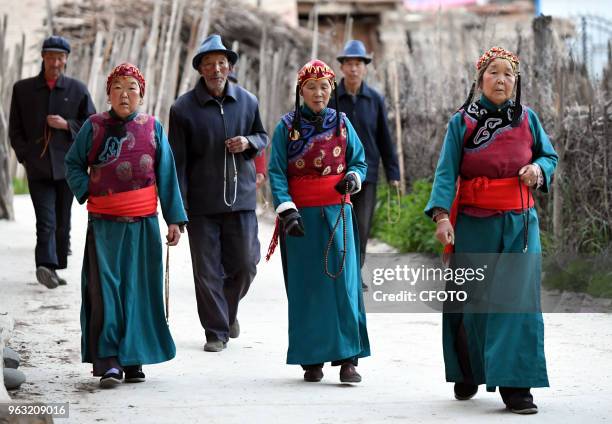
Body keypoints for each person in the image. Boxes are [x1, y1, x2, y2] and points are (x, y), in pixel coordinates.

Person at [424, 47, 558, 414]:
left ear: (516, 82)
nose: (502, 80)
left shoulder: (528, 119)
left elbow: (549, 156)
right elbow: (446, 173)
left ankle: (517, 386)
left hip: (520, 225)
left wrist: (538, 170)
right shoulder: (462, 122)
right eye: (494, 73)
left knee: (518, 305)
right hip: (475, 223)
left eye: (509, 75)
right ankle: (471, 370)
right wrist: (441, 217)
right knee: (475, 303)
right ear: (480, 78)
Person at [64, 63, 187, 388]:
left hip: (144, 226)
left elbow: (166, 174)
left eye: (132, 87)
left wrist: (174, 218)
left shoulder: (152, 128)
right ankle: (108, 362)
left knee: (138, 291)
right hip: (104, 226)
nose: (124, 94)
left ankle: (133, 360)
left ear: (141, 95)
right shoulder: (93, 126)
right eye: (118, 87)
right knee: (105, 290)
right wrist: (87, 189)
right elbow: (72, 163)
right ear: (109, 93)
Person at [267, 59, 370, 383]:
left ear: (332, 89)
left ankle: (348, 358)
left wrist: (352, 178)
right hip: (300, 217)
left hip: (337, 212)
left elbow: (359, 161)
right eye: (311, 87)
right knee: (307, 286)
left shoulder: (342, 123)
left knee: (343, 284)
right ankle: (311, 358)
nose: (318, 92)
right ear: (301, 91)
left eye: (324, 86)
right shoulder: (286, 127)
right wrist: (286, 209)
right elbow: (276, 172)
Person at [169, 34, 268, 352]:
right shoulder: (183, 109)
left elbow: (262, 135)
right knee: (207, 270)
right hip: (201, 204)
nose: (216, 69)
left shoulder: (248, 101)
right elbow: (177, 164)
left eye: (222, 63)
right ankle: (215, 331)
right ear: (200, 68)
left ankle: (227, 312)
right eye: (209, 64)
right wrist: (176, 211)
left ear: (229, 66)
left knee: (245, 264)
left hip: (240, 198)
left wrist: (248, 143)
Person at [9, 35, 95, 289]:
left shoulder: (77, 89)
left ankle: (54, 268)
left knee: (63, 221)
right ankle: (44, 265)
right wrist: (26, 157)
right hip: (38, 168)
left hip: (68, 168)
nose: (55, 62)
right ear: (43, 58)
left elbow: (92, 125)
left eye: (60, 57)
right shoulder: (22, 89)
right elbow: (15, 130)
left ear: (66, 60)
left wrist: (66, 124)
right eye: (50, 57)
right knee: (45, 219)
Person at [330, 39, 400, 291]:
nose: (353, 69)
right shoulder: (331, 99)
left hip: (367, 174)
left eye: (358, 63)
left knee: (361, 225)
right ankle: (337, 271)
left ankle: (354, 274)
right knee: (339, 224)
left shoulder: (375, 99)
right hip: (335, 175)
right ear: (342, 68)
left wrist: (393, 172)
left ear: (365, 68)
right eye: (349, 63)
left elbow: (384, 138)